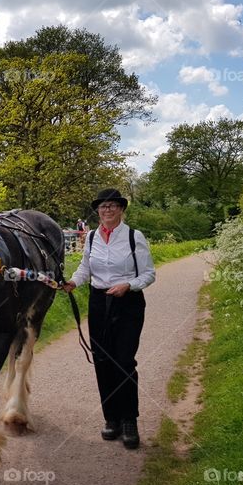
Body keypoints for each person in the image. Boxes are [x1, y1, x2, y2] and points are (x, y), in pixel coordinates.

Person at [62, 188, 156, 449]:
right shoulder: (91, 237)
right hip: (99, 302)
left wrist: (128, 285)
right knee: (102, 361)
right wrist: (73, 282)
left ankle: (129, 420)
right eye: (103, 206)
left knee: (124, 361)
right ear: (98, 210)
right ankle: (111, 418)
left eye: (113, 205)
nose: (107, 210)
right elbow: (85, 268)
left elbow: (149, 274)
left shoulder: (133, 236)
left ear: (121, 209)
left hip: (127, 303)